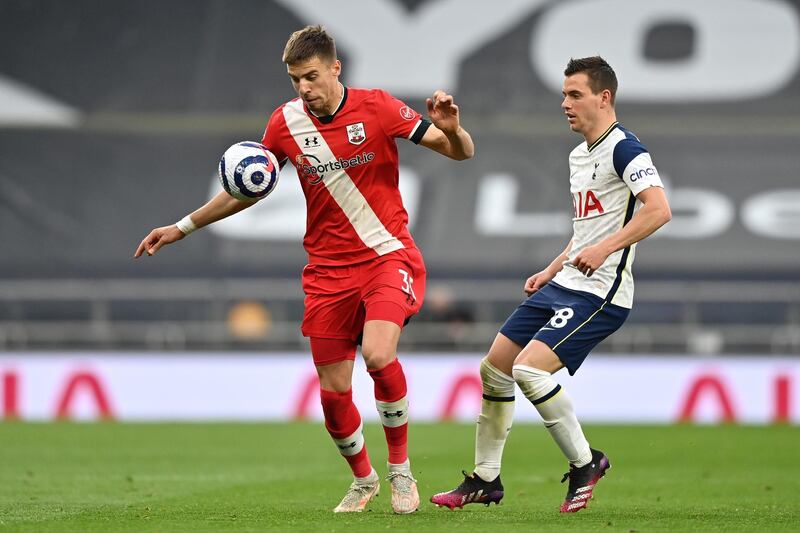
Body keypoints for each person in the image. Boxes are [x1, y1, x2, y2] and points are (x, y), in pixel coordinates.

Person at [134, 25, 474, 514]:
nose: (305, 89)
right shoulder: (285, 124)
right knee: (334, 392)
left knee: (378, 356)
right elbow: (245, 188)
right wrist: (182, 226)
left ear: (336, 68)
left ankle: (401, 471)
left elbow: (461, 153)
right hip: (327, 270)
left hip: (386, 254)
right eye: (296, 80)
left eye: (312, 76)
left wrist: (452, 127)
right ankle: (364, 480)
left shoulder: (378, 107)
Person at [430, 56, 671, 513]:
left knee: (528, 370)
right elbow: (587, 230)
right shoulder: (579, 154)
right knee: (495, 368)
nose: (565, 103)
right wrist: (553, 265)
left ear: (605, 98)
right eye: (563, 94)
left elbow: (659, 210)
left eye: (575, 94)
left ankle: (587, 462)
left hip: (602, 294)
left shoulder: (626, 149)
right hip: (566, 283)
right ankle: (485, 478)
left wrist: (605, 251)